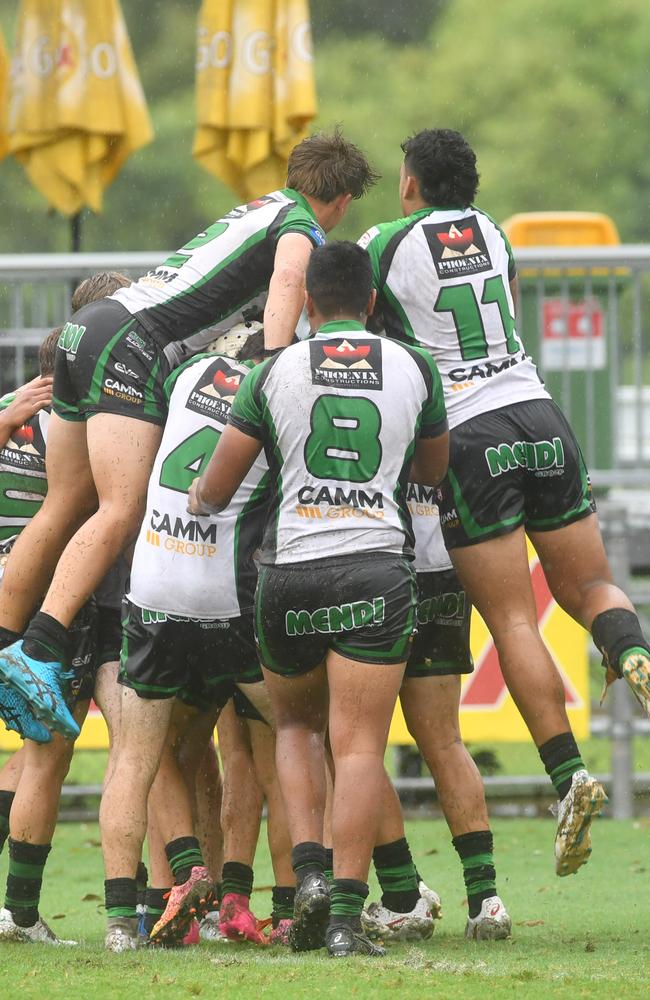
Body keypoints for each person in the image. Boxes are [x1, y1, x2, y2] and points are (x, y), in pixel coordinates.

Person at [0, 131, 377, 742]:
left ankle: (7, 646)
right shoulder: (301, 225)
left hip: (90, 327)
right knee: (122, 507)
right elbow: (287, 282)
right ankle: (38, 651)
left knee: (66, 501)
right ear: (342, 199)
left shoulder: (260, 204)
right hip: (134, 341)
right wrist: (274, 366)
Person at [359, 127, 650, 877]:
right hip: (539, 413)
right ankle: (633, 650)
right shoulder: (492, 231)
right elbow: (508, 315)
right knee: (589, 587)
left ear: (411, 183)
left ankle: (567, 776)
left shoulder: (386, 240)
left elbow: (342, 315)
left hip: (469, 434)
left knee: (514, 617)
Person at [188, 241, 449, 958]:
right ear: (370, 302)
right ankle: (343, 916)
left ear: (305, 303)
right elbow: (432, 469)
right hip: (374, 570)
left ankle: (305, 877)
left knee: (297, 730)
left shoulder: (271, 372)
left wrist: (196, 494)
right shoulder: (414, 365)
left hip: (291, 570)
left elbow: (215, 487)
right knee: (359, 745)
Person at [99, 336, 274, 952]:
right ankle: (315, 889)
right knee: (301, 737)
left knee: (137, 754)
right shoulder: (273, 391)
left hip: (155, 588)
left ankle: (127, 917)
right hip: (225, 600)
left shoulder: (190, 372)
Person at [0, 271, 131, 944]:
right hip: (63, 601)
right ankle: (33, 911)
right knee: (73, 750)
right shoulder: (94, 426)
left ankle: (18, 911)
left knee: (35, 753)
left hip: (13, 599)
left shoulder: (15, 411)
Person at [363, 494, 511, 942]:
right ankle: (486, 901)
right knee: (446, 742)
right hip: (441, 565)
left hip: (377, 566)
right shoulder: (440, 416)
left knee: (354, 748)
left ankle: (403, 895)